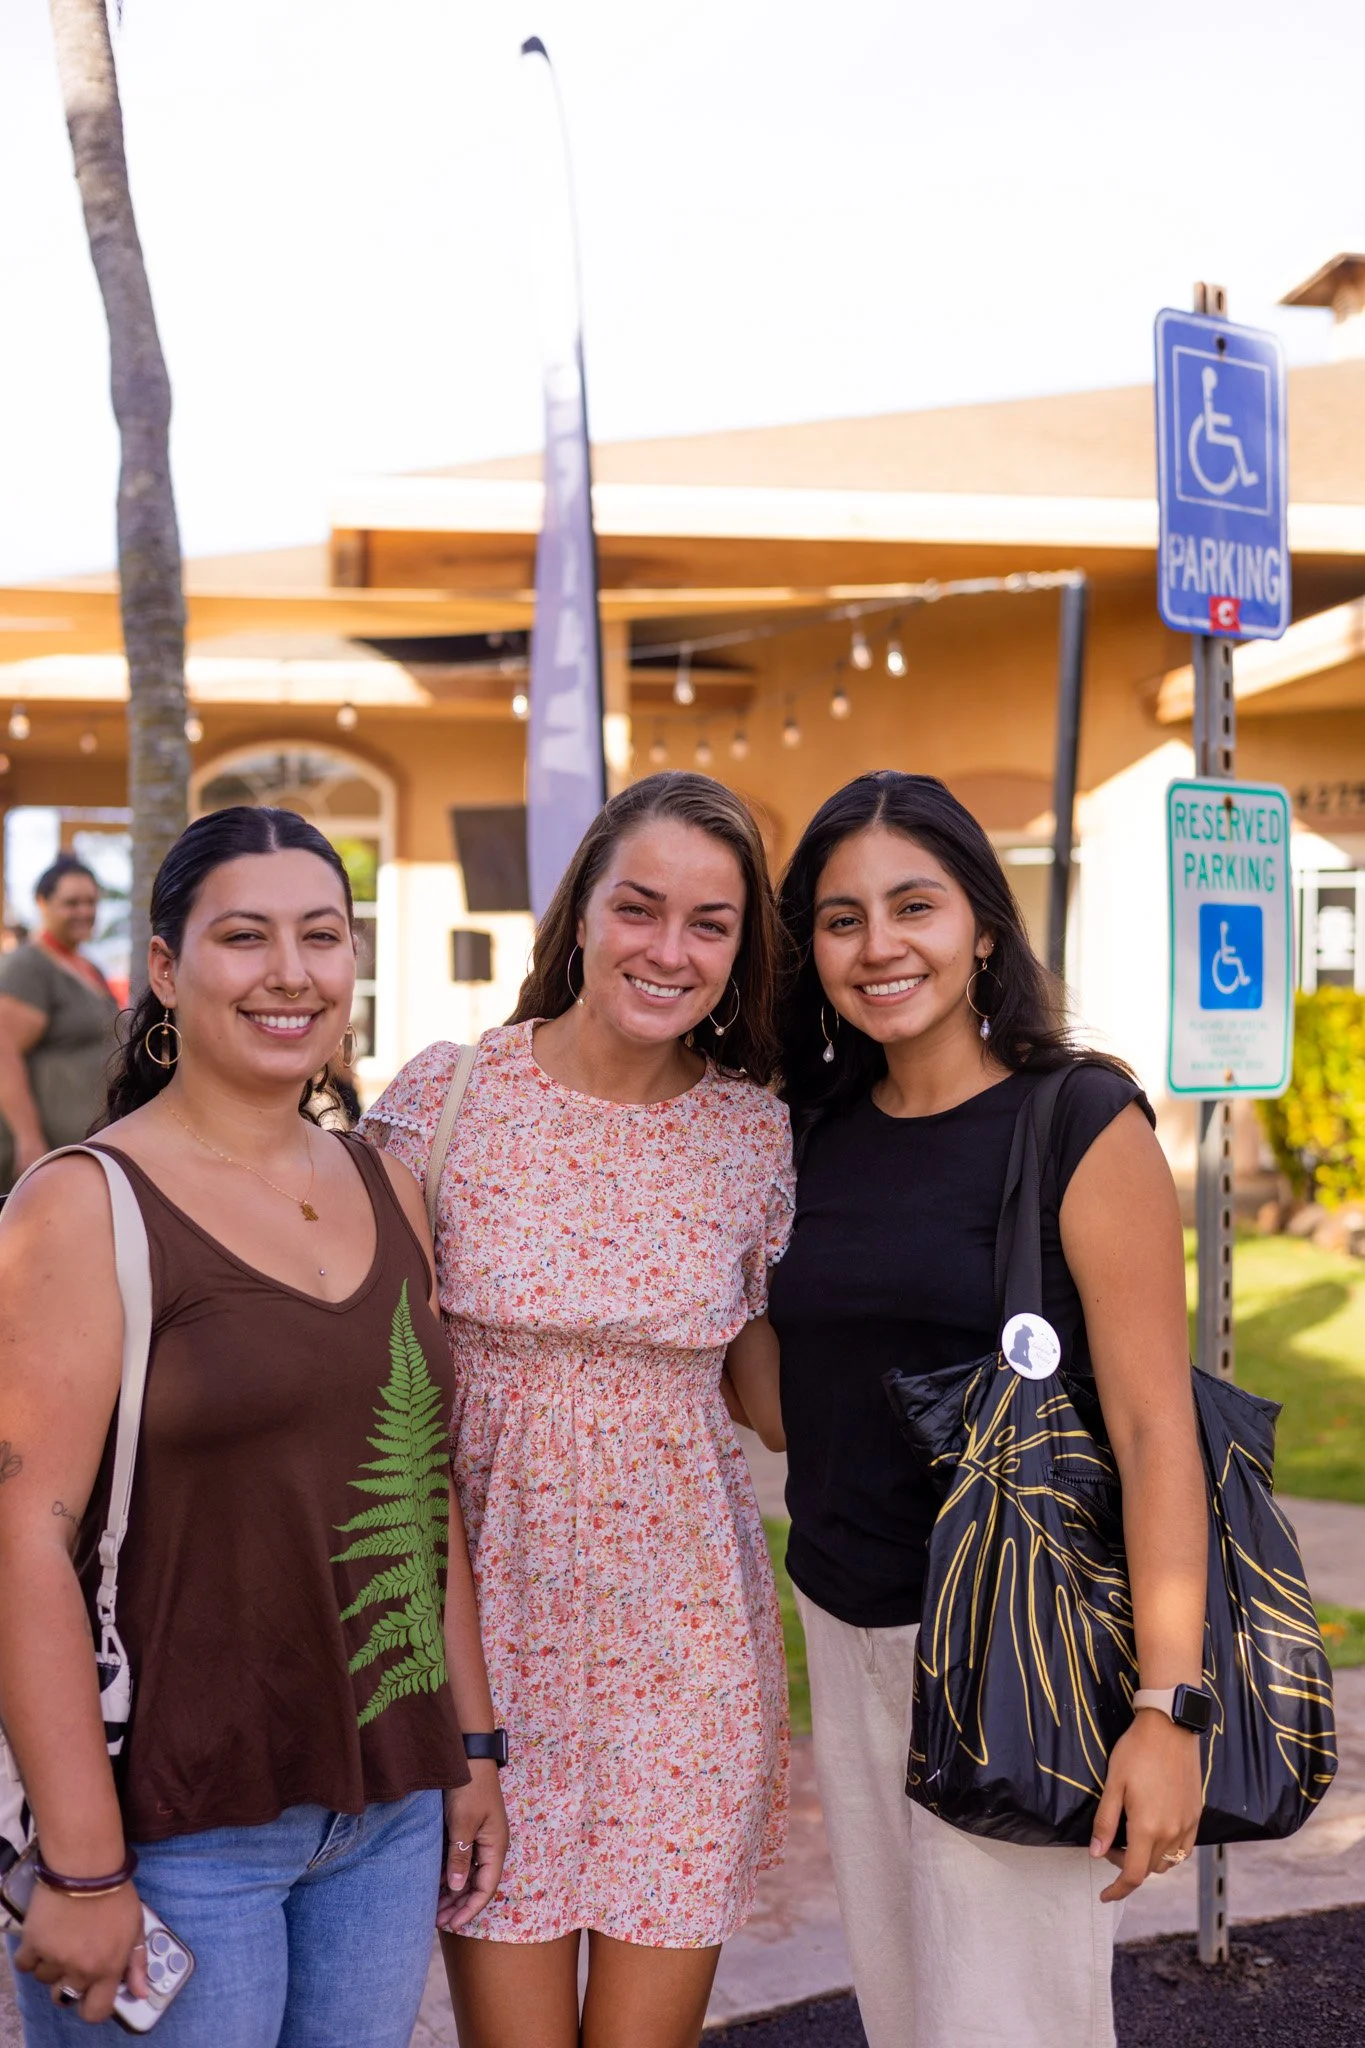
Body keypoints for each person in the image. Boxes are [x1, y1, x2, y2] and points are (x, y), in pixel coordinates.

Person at [0, 805, 507, 2045]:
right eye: (244, 935)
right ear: (165, 968)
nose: (292, 971)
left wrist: (473, 1744)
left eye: (323, 936)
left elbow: (414, 1477)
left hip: (383, 1811)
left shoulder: (387, 1183)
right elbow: (19, 1533)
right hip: (171, 1830)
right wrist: (79, 1861)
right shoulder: (81, 1205)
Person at [765, 771, 1208, 2048]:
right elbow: (783, 1406)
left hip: (1020, 1643)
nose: (879, 944)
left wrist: (1166, 1708)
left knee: (1011, 2024)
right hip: (847, 1626)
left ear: (985, 928)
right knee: (909, 2015)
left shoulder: (1077, 1120)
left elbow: (1152, 1428)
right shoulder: (815, 1129)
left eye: (916, 904)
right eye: (841, 918)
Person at [361, 772, 792, 2048]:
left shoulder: (755, 1136)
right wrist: (461, 1713)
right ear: (583, 911)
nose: (669, 949)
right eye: (640, 907)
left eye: (709, 924)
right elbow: (384, 1424)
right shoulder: (448, 1099)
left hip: (690, 1659)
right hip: (490, 1646)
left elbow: (773, 1402)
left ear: (740, 949)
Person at [0, 857, 119, 1192]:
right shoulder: (30, 967)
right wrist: (29, 1137)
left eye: (91, 902)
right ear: (42, 903)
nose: (84, 911)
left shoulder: (88, 966)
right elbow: (3, 1051)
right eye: (72, 903)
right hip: (45, 1157)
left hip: (85, 1150)